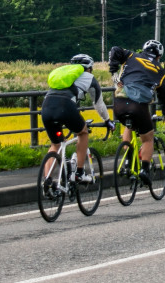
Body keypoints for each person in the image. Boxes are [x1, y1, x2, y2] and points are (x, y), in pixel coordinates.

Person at [41, 54, 113, 187]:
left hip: (46, 107)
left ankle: (47, 180)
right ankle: (79, 172)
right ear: (89, 68)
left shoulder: (63, 75)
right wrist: (107, 120)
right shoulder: (89, 77)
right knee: (83, 132)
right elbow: (98, 103)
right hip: (65, 106)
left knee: (55, 144)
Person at [108, 40, 165, 186]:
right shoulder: (160, 70)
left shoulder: (131, 56)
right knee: (148, 138)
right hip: (139, 106)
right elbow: (164, 94)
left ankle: (128, 161)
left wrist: (113, 70)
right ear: (158, 56)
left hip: (119, 103)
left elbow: (115, 48)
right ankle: (144, 169)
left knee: (128, 126)